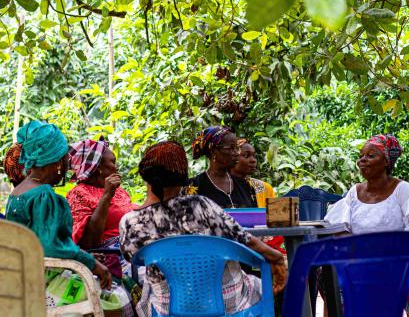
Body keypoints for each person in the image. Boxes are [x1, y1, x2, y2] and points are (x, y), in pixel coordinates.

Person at [119, 141, 287, 316]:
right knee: (262, 285)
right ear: (183, 177)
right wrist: (276, 258)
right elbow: (245, 240)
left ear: (145, 177)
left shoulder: (129, 222)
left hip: (168, 308)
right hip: (228, 303)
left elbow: (133, 259)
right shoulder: (201, 206)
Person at [324, 134, 409, 317]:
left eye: (371, 155)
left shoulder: (402, 190)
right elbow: (340, 229)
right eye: (361, 156)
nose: (363, 160)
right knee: (327, 271)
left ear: (386, 161)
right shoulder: (354, 193)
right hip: (361, 258)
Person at [4, 120, 112, 307]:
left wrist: (83, 254)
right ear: (55, 163)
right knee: (111, 298)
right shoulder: (44, 196)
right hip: (45, 282)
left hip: (23, 278)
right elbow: (51, 247)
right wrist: (92, 264)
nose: (67, 166)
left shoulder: (17, 193)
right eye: (64, 160)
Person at [66, 138, 138, 277]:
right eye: (113, 162)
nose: (116, 168)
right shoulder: (78, 194)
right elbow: (88, 242)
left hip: (132, 250)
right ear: (97, 168)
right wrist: (106, 196)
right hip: (109, 260)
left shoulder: (120, 191)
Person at [230, 138, 285, 254]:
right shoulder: (222, 187)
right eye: (246, 156)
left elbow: (278, 222)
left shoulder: (265, 187)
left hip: (264, 245)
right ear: (232, 158)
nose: (253, 160)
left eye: (254, 156)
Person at [188, 126, 257, 208]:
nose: (237, 153)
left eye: (236, 148)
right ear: (214, 151)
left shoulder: (245, 185)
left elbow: (254, 218)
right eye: (231, 148)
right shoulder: (194, 187)